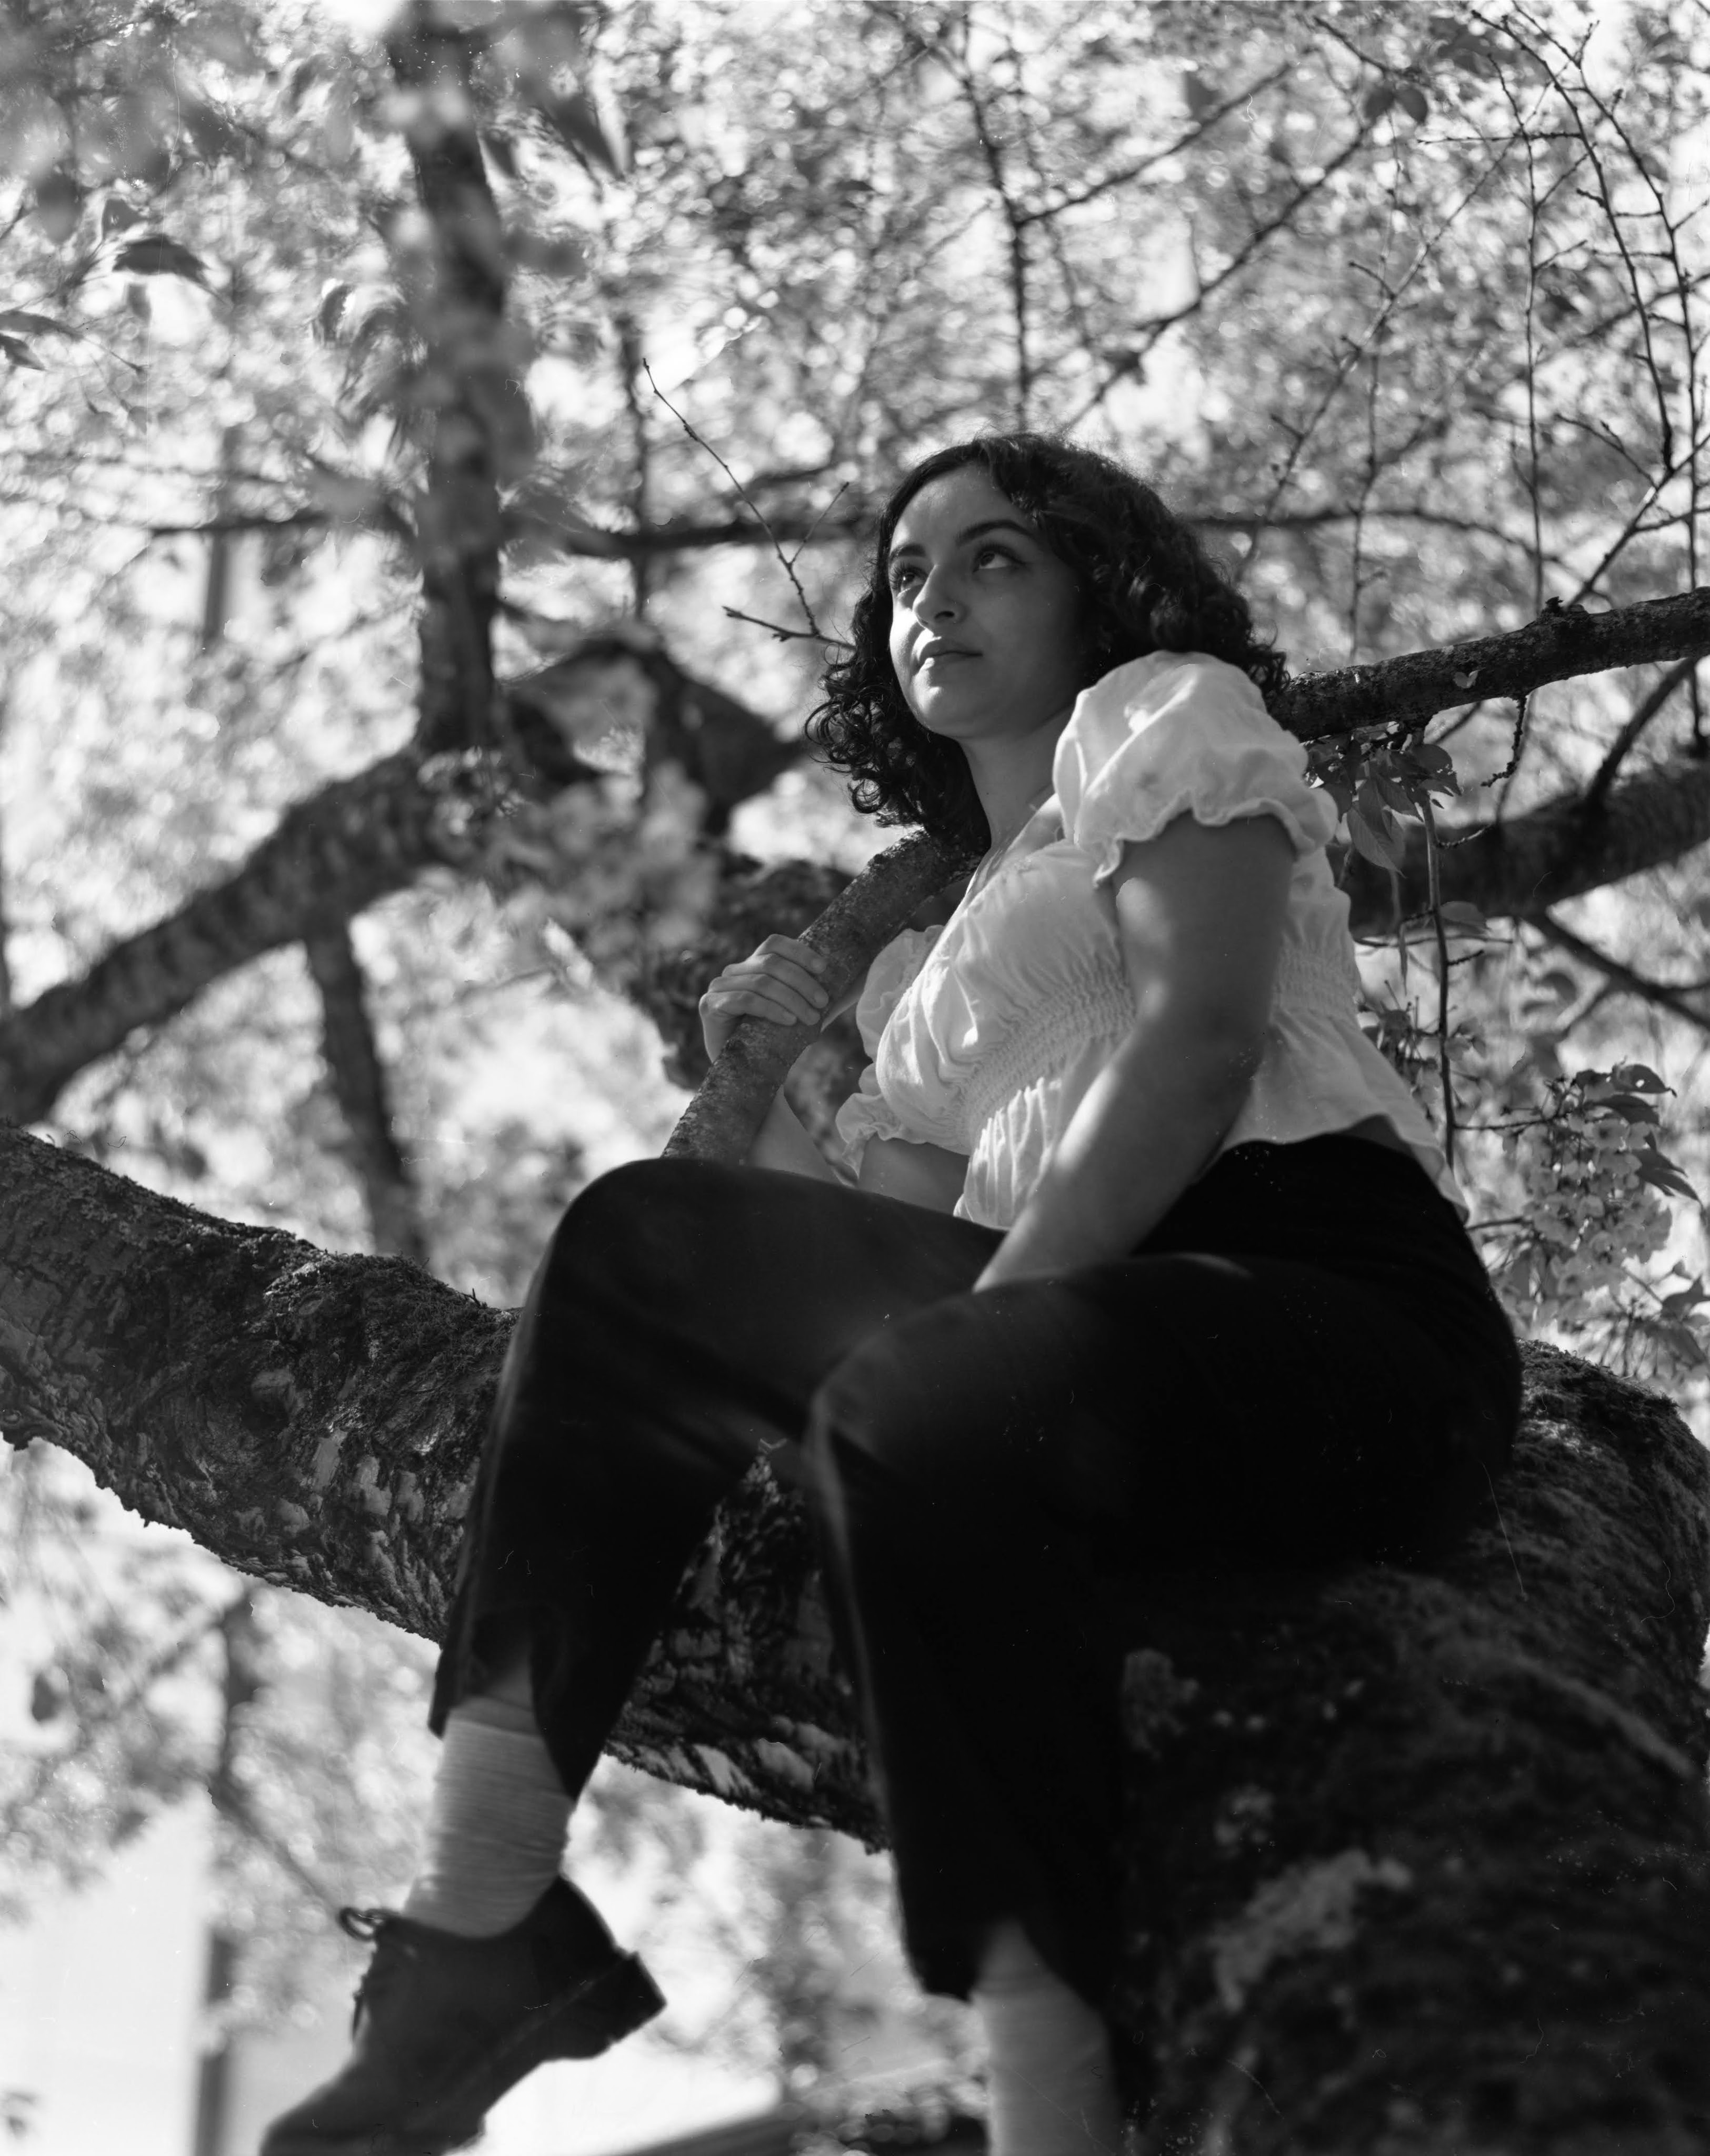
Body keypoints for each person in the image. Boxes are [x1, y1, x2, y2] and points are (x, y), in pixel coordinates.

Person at [261, 434, 1521, 2156]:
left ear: (1098, 588)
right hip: (1074, 1374)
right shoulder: (924, 972)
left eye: (995, 556)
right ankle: (481, 1921)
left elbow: (1198, 1039)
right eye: (908, 573)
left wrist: (972, 1342)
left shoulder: (1159, 715)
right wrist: (792, 1095)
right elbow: (857, 1257)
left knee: (917, 1400)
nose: (934, 597)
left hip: (1320, 1302)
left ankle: (1055, 2108)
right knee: (641, 1240)